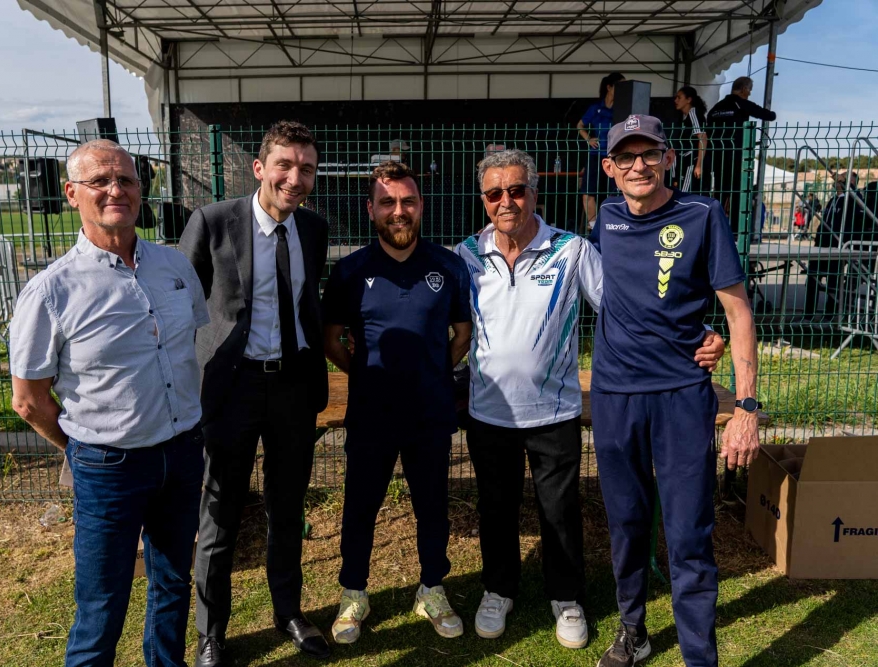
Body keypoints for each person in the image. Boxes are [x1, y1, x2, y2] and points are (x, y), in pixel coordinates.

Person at [454, 149, 725, 649]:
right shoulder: (465, 254)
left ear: (534, 193)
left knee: (559, 510)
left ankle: (567, 597)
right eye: (495, 194)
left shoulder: (572, 250)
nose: (506, 202)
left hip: (554, 409)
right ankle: (498, 590)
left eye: (516, 190)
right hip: (488, 410)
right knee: (496, 507)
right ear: (484, 200)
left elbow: (627, 305)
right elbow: (446, 324)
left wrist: (699, 333)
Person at [9, 139, 209, 667]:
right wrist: (78, 449)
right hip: (108, 466)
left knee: (172, 582)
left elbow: (187, 350)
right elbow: (28, 400)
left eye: (126, 179)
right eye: (100, 181)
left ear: (142, 191)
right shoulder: (51, 291)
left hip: (183, 454)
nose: (115, 189)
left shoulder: (174, 267)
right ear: (72, 193)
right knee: (102, 604)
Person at [591, 115, 759, 667]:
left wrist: (746, 406)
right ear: (610, 168)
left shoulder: (701, 214)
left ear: (667, 158)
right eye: (626, 156)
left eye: (650, 154)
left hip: (682, 397)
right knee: (627, 526)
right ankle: (633, 631)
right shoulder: (606, 218)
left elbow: (736, 312)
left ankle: (698, 657)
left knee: (688, 533)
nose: (638, 165)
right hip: (615, 398)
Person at [179, 121, 331, 666]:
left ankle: (288, 610)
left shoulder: (313, 229)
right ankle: (210, 633)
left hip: (292, 384)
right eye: (285, 165)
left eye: (306, 168)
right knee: (219, 512)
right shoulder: (213, 222)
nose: (295, 178)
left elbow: (309, 302)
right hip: (230, 388)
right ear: (259, 167)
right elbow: (181, 307)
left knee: (288, 509)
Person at [322, 161, 473, 644]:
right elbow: (332, 340)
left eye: (407, 201)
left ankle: (431, 587)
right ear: (371, 210)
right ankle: (354, 593)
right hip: (372, 415)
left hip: (430, 412)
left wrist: (429, 371)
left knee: (432, 507)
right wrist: (366, 375)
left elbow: (462, 334)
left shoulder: (447, 265)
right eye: (387, 202)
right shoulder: (350, 270)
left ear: (420, 206)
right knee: (360, 506)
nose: (399, 211)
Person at [706, 77, 777, 235]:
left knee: (720, 192)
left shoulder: (716, 108)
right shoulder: (741, 104)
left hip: (718, 158)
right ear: (744, 89)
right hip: (738, 157)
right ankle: (737, 231)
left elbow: (708, 130)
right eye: (750, 90)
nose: (750, 93)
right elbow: (768, 115)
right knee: (739, 193)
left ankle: (716, 229)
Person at [805, 171, 859, 316]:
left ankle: (830, 315)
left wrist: (848, 186)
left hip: (837, 247)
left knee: (833, 282)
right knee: (812, 279)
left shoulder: (853, 199)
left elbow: (858, 197)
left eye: (842, 180)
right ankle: (808, 314)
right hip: (822, 247)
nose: (836, 181)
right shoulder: (833, 199)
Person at [577, 72, 625, 227]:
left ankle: (614, 225)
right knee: (588, 192)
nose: (623, 89)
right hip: (596, 154)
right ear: (609, 87)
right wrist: (588, 139)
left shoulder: (623, 108)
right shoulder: (596, 108)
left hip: (616, 155)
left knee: (617, 193)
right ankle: (594, 227)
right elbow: (580, 125)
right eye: (620, 86)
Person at [672, 86, 709, 194]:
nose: (676, 100)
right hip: (684, 159)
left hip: (692, 159)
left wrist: (698, 165)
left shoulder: (693, 113)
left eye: (679, 97)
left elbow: (702, 137)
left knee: (684, 192)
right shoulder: (682, 116)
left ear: (689, 99)